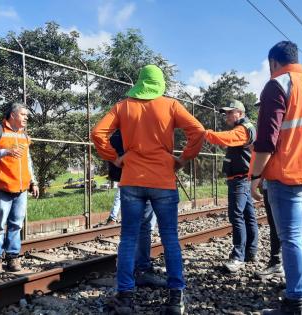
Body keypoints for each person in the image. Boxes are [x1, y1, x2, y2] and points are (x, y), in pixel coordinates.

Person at [92, 64, 205, 315]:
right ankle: (176, 298)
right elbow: (198, 130)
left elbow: (98, 132)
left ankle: (125, 297)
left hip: (131, 179)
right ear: (160, 84)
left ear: (140, 83)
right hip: (163, 180)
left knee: (128, 238)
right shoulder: (171, 105)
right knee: (170, 238)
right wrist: (183, 158)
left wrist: (114, 158)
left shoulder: (124, 107)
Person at [249, 41, 302, 314]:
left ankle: (295, 303)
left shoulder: (277, 85)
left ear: (273, 62)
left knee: (291, 237)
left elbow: (267, 139)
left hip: (288, 172)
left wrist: (255, 176)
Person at [0, 102, 39, 274]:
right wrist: (5, 151)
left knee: (16, 224)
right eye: (23, 114)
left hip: (21, 188)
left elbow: (27, 160)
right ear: (13, 115)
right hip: (0, 186)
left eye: (27, 115)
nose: (26, 117)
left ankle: (13, 257)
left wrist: (33, 182)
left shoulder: (24, 135)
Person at [105, 130, 165, 287]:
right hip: (149, 178)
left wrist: (117, 160)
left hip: (127, 180)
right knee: (145, 228)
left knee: (129, 231)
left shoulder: (121, 127)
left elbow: (99, 136)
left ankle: (125, 274)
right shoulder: (147, 126)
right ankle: (142, 270)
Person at [204, 100, 258, 273]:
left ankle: (238, 256)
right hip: (243, 178)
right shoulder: (245, 127)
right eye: (225, 113)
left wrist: (205, 133)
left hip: (240, 179)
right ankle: (250, 252)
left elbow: (225, 138)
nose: (226, 116)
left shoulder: (243, 129)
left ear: (240, 113)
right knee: (248, 215)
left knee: (236, 216)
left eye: (229, 112)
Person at [254, 179, 284, 279]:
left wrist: (257, 179)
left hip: (277, 181)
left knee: (276, 225)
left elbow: (263, 162)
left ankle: (277, 264)